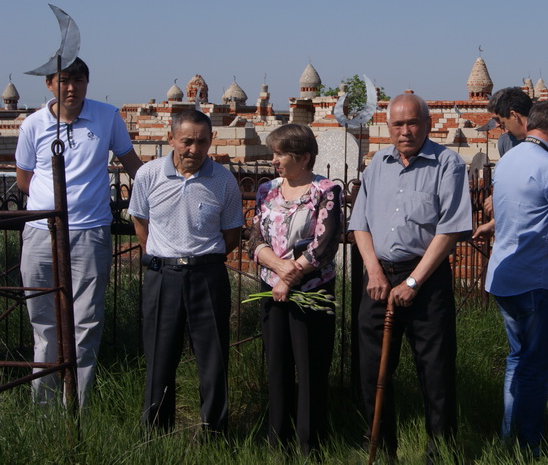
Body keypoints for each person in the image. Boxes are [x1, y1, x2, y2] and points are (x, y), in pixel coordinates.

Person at [350, 93, 472, 461]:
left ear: (428, 124)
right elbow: (360, 223)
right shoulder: (377, 165)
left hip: (425, 279)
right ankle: (383, 450)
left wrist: (414, 282)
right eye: (398, 124)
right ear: (388, 127)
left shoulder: (446, 164)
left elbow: (449, 230)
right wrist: (372, 269)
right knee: (372, 372)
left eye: (413, 123)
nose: (406, 131)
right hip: (378, 278)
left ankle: (440, 453)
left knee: (435, 373)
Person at [16, 57, 143, 407]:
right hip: (43, 231)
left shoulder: (107, 117)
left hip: (90, 232)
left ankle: (77, 408)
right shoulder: (33, 124)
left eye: (78, 80)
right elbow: (25, 179)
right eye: (63, 80)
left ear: (88, 82)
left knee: (85, 322)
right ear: (49, 84)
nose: (71, 88)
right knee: (43, 323)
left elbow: (132, 165)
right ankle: (45, 410)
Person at [129, 109, 243, 432]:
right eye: (187, 141)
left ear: (211, 141)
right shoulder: (149, 175)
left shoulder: (223, 180)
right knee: (159, 358)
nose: (194, 149)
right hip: (162, 275)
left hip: (208, 275)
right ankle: (155, 432)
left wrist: (200, 257)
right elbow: (140, 221)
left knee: (213, 360)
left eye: (202, 142)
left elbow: (232, 234)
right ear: (171, 139)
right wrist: (160, 254)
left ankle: (215, 434)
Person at [485, 100, 548, 457]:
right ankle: (527, 445)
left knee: (518, 359)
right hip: (536, 277)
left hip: (503, 274)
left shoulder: (509, 158)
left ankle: (507, 436)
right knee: (538, 365)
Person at [249, 123, 342, 455]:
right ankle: (278, 441)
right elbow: (256, 237)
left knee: (311, 367)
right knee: (277, 365)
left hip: (311, 291)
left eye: (280, 154)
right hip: (272, 289)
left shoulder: (326, 190)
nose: (274, 160)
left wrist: (291, 277)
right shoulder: (267, 190)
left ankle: (309, 445)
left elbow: (325, 242)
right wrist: (277, 269)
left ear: (303, 157)